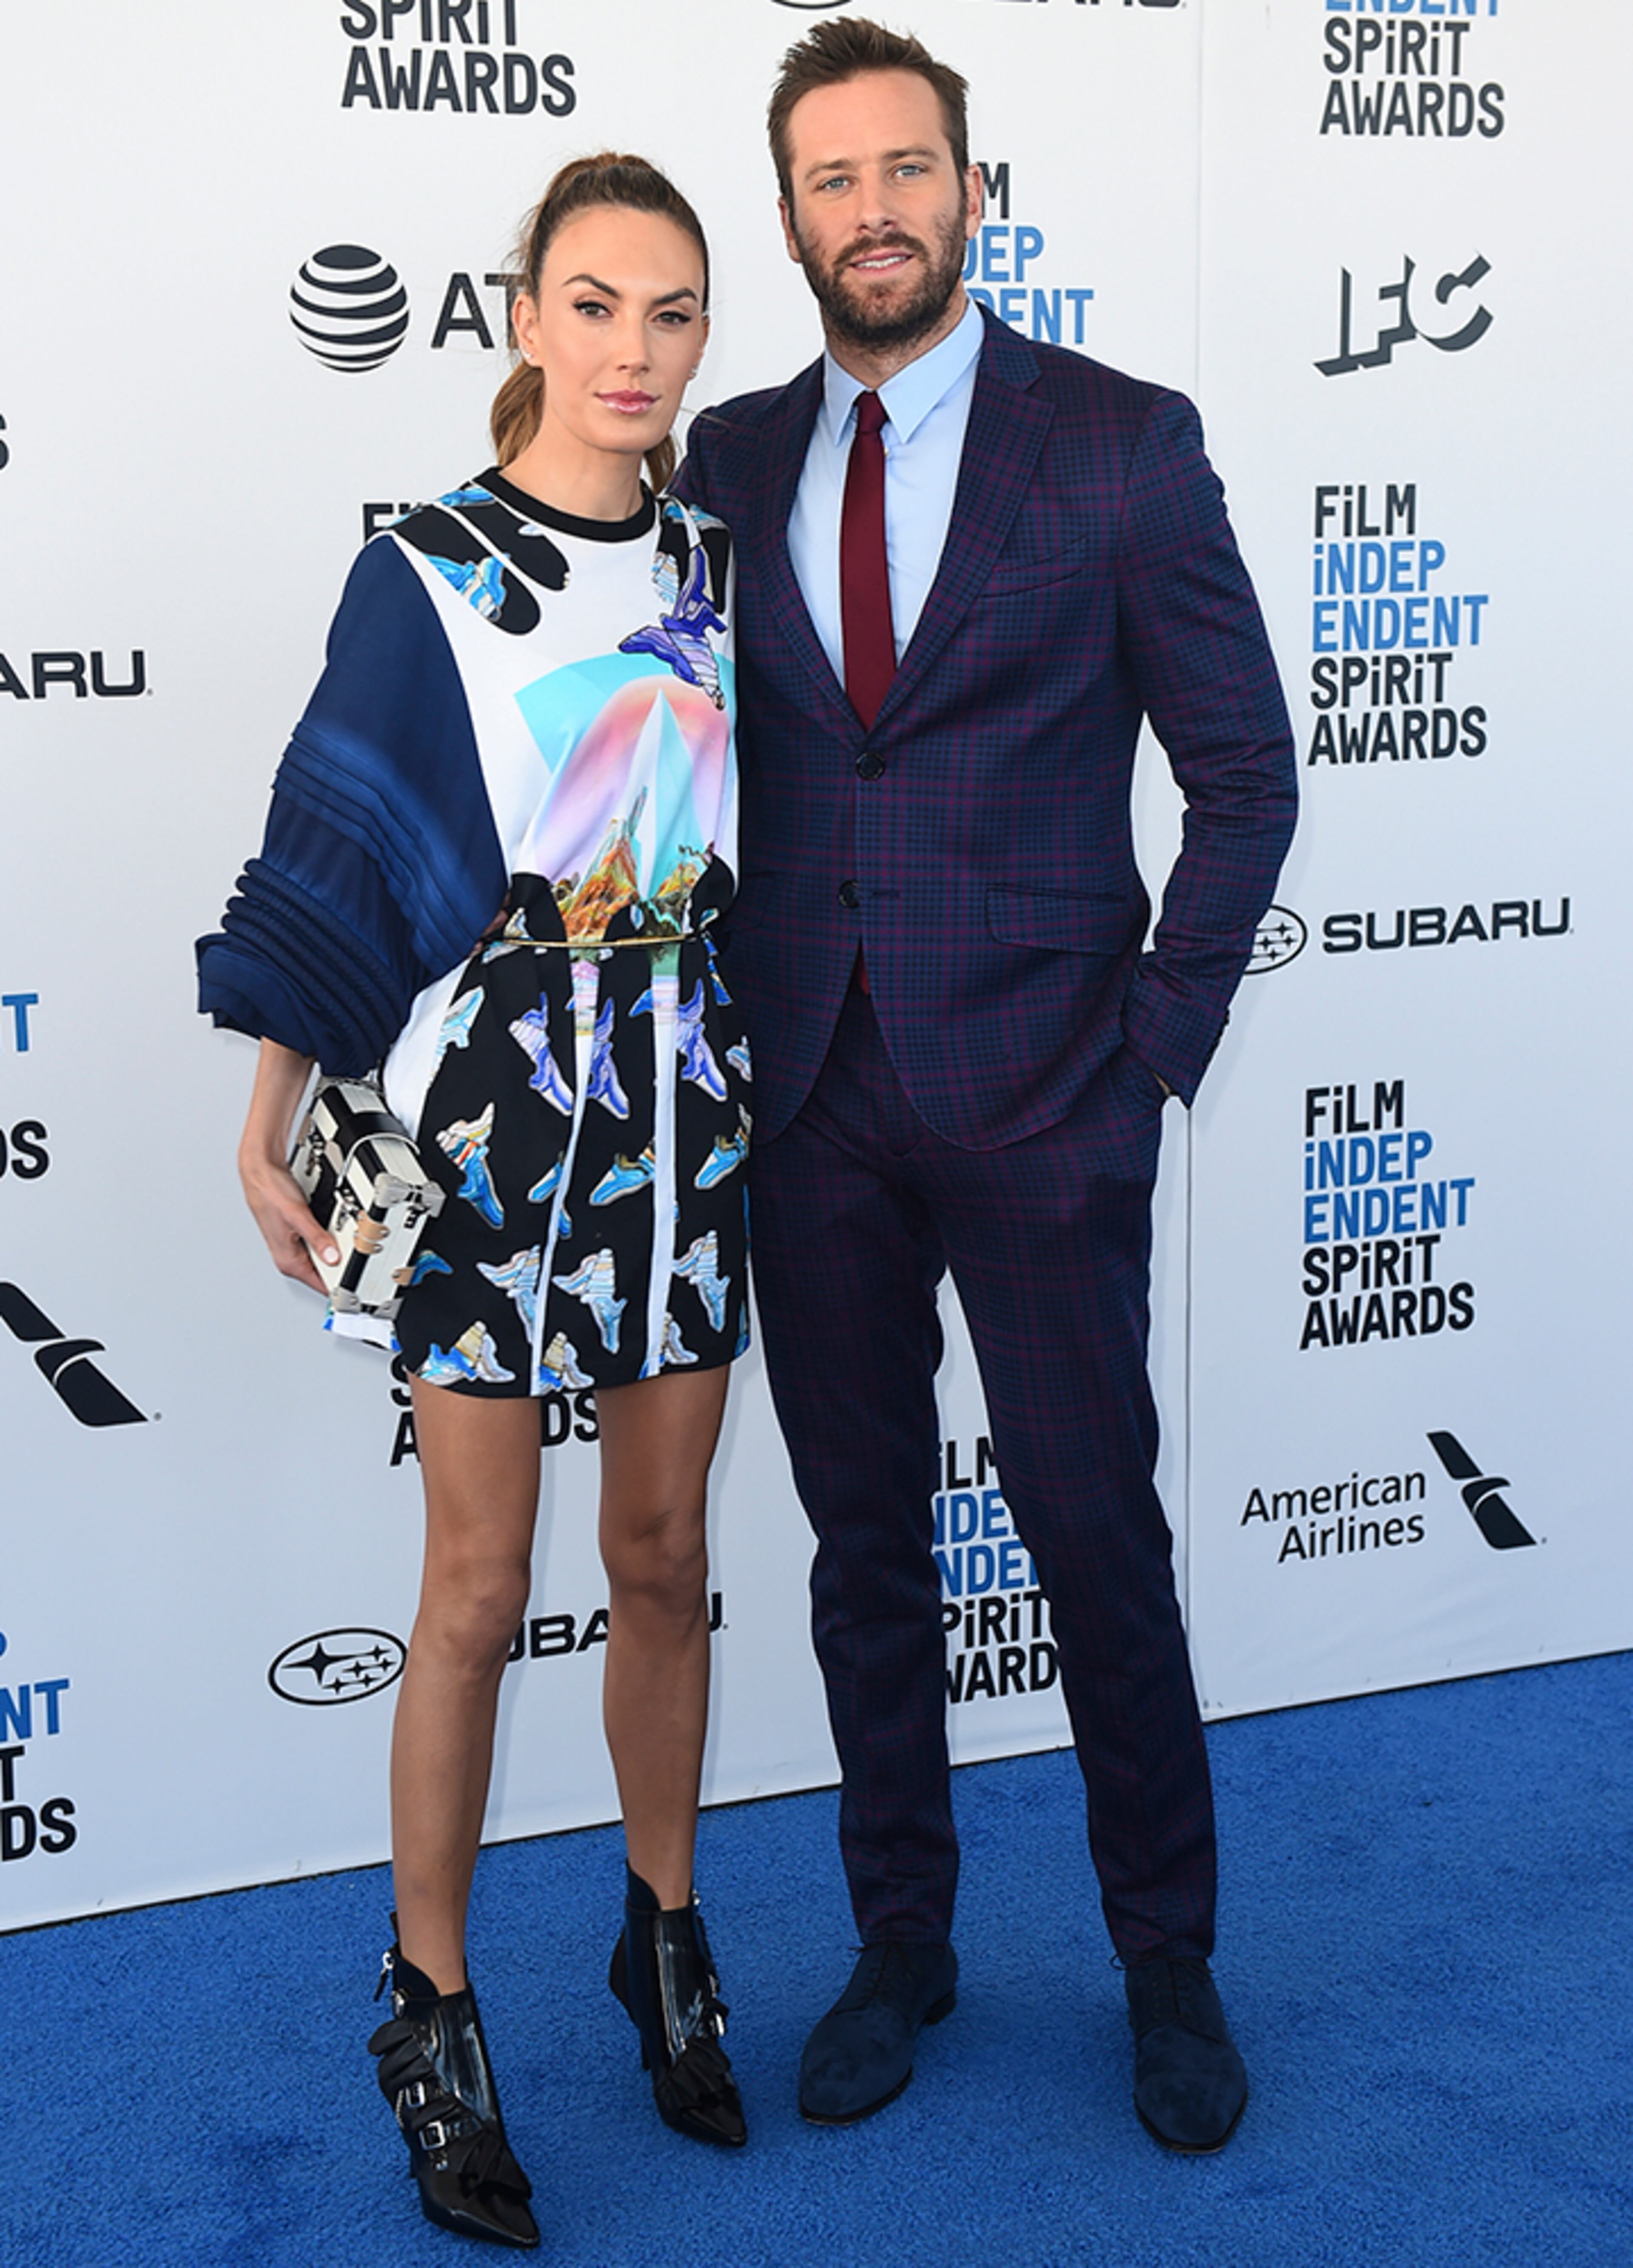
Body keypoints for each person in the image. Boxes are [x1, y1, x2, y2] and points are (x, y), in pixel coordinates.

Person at [673, 21, 1296, 2154]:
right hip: (808, 1098)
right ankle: (903, 1936)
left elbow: (1243, 775)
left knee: (1095, 1536)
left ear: (970, 188)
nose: (876, 210)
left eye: (907, 168)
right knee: (864, 1547)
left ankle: (1167, 1959)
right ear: (789, 219)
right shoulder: (728, 459)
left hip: (1048, 1097)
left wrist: (1151, 1055)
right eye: (833, 179)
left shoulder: (1119, 444)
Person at [198, 155, 751, 2250]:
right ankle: (429, 2005)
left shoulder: (715, 560)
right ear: (525, 314)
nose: (634, 350)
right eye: (596, 305)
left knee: (668, 1552)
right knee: (475, 1580)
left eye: (673, 312)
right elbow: (335, 858)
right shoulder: (426, 573)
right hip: (488, 1119)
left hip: (685, 1106)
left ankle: (664, 1928)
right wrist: (269, 1118)